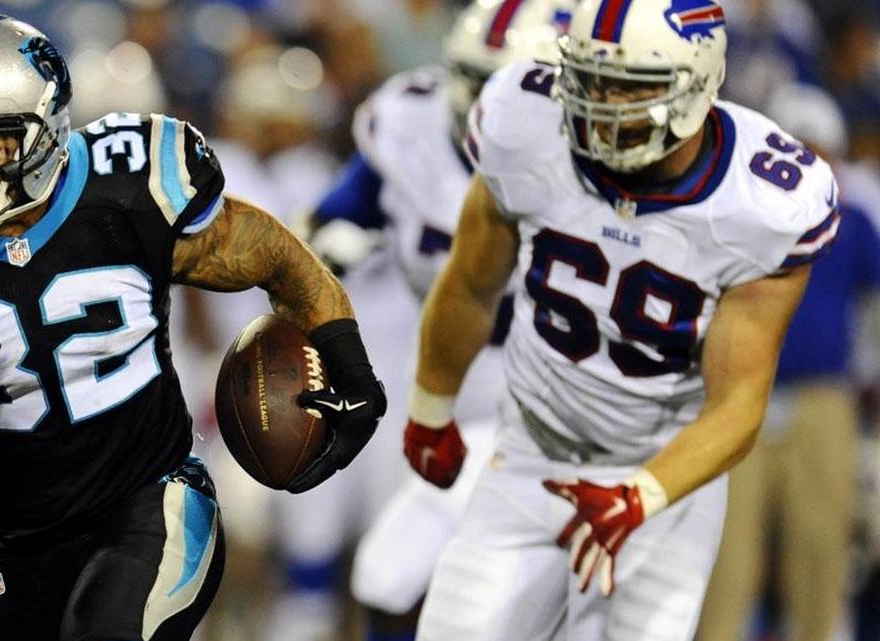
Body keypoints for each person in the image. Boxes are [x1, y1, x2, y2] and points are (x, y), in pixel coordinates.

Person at [0, 14, 387, 641]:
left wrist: (350, 365)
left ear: (40, 136)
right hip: (12, 543)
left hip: (148, 499)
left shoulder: (126, 189)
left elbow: (274, 255)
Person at [402, 0, 839, 639]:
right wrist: (430, 407)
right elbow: (471, 283)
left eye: (629, 88)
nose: (602, 105)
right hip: (531, 453)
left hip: (663, 474)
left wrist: (640, 497)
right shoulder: (524, 125)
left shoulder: (762, 204)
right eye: (590, 79)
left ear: (697, 84)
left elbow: (738, 402)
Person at [303, 1, 574, 640]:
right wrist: (331, 249)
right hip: (433, 380)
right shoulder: (409, 119)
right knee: (389, 576)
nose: (484, 102)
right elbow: (340, 215)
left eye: (505, 84)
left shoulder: (583, 155)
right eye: (474, 78)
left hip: (544, 390)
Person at [698, 82, 880, 641]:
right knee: (727, 559)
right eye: (799, 150)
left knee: (819, 554)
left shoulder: (852, 220)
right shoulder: (731, 215)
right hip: (736, 400)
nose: (805, 166)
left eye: (817, 151)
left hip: (821, 401)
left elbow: (874, 306)